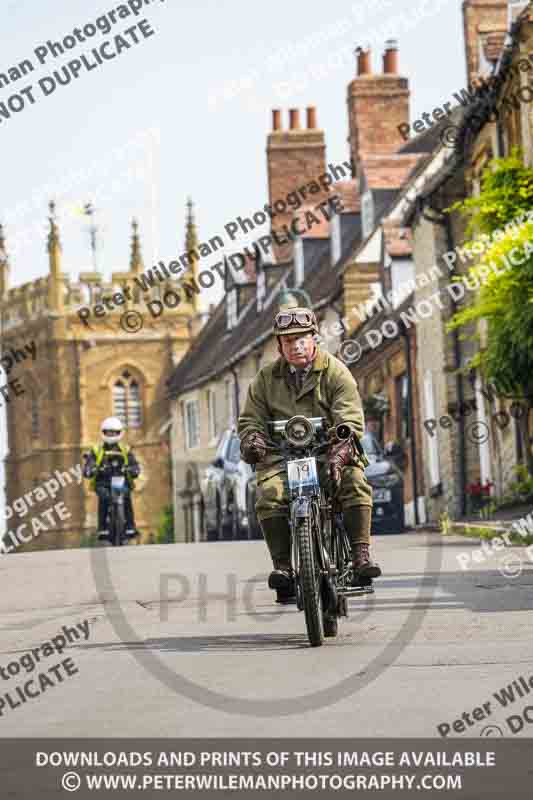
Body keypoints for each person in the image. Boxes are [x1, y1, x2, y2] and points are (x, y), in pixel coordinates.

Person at [237, 307, 381, 603]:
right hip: (281, 457)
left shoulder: (335, 371)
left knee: (354, 481)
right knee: (268, 495)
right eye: (289, 341)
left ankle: (360, 557)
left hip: (329, 453)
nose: (296, 345)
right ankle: (284, 568)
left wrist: (341, 450)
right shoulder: (265, 380)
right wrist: (253, 440)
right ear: (280, 346)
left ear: (314, 338)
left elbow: (349, 416)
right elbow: (250, 419)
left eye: (302, 338)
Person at [83, 417, 141, 541]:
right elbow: (90, 463)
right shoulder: (96, 449)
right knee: (103, 498)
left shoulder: (125, 449)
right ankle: (102, 528)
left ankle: (130, 526)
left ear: (119, 433)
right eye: (108, 432)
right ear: (103, 432)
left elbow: (133, 463)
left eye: (114, 432)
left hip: (121, 479)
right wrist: (90, 469)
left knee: (126, 497)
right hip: (102, 481)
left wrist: (134, 469)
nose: (111, 434)